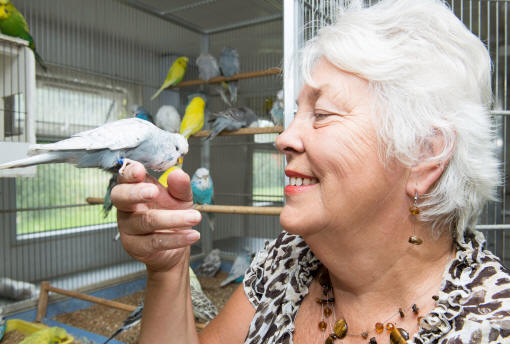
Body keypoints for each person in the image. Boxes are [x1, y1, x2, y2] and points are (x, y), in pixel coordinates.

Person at [111, 0, 510, 343]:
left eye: (321, 114)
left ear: (425, 152)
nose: (284, 138)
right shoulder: (285, 261)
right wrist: (169, 267)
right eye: (295, 113)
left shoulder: (489, 325)